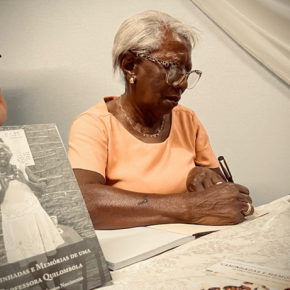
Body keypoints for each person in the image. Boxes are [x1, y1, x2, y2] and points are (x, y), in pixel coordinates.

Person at [68, 10, 253, 230]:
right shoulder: (94, 124)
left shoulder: (187, 119)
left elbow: (221, 200)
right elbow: (85, 202)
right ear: (129, 65)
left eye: (187, 73)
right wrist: (189, 206)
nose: (182, 84)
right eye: (173, 69)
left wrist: (200, 176)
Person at [0, 141, 64, 264]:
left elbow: (41, 189)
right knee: (28, 258)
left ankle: (58, 281)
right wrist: (3, 190)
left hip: (35, 216)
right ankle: (43, 283)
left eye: (3, 151)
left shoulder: (21, 168)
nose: (1, 155)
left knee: (50, 251)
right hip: (15, 222)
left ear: (9, 153)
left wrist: (26, 181)